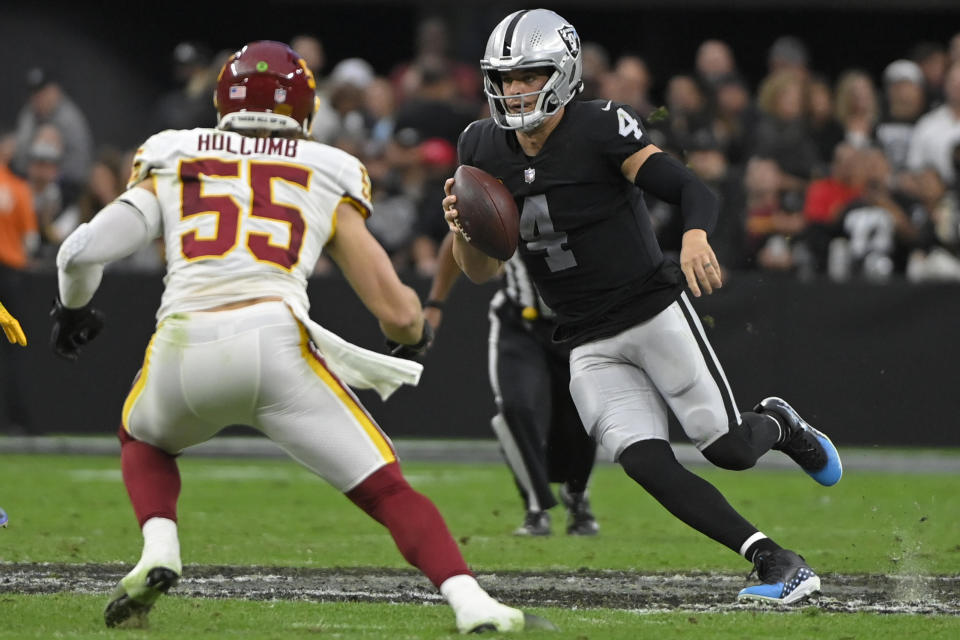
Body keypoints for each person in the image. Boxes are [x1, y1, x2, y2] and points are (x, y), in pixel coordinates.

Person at [50, 40, 548, 634]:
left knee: (143, 438)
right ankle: (473, 604)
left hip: (183, 344)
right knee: (388, 491)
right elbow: (394, 309)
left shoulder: (174, 154)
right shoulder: (323, 167)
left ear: (221, 101)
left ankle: (160, 548)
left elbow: (80, 252)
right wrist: (413, 333)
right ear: (304, 111)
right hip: (275, 344)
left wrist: (72, 312)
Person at [442, 9, 842, 605]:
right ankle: (773, 559)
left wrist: (695, 235)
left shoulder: (600, 126)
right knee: (643, 461)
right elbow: (481, 270)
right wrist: (462, 231)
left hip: (650, 309)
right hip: (582, 335)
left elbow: (691, 188)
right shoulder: (479, 146)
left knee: (727, 449)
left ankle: (778, 423)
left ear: (562, 73)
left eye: (529, 75)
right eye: (504, 78)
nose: (514, 89)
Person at [426, 233, 599, 536]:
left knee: (584, 414)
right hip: (519, 322)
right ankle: (537, 507)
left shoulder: (582, 189)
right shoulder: (505, 186)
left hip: (577, 322)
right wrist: (435, 302)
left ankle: (576, 492)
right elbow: (459, 235)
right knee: (515, 406)